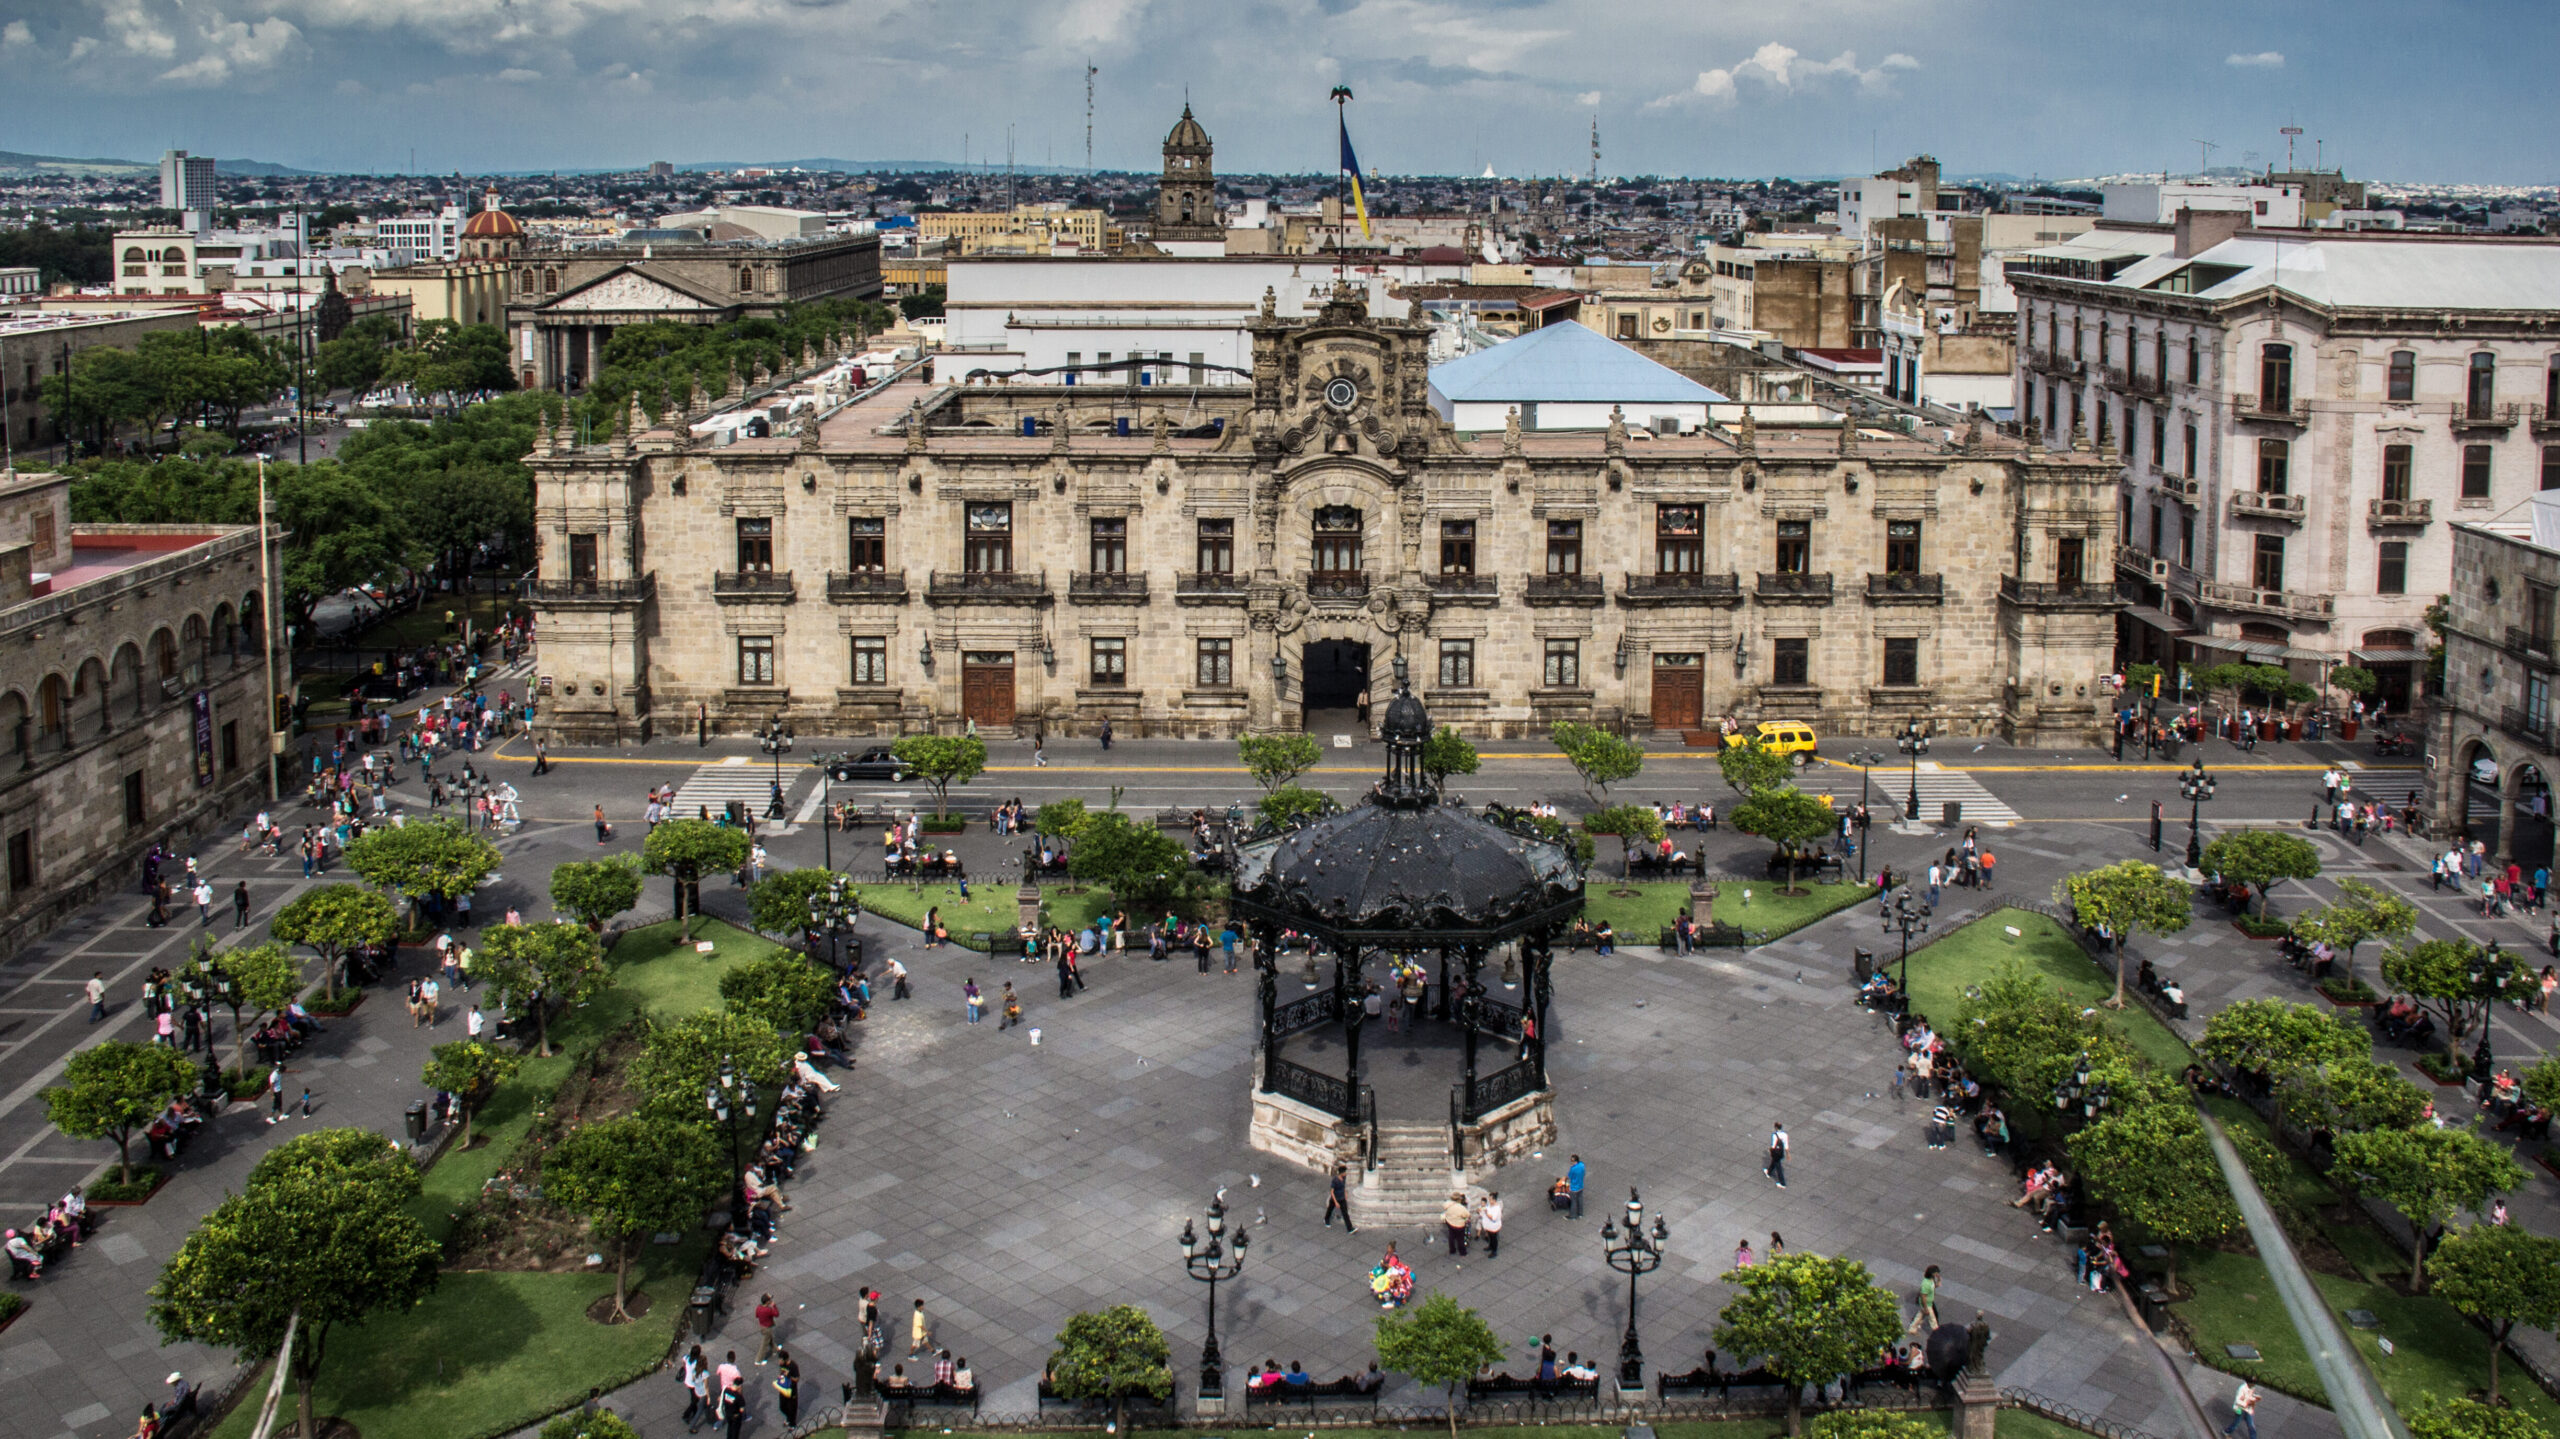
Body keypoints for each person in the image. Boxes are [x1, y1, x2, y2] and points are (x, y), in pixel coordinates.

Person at [1324, 1162, 1356, 1233]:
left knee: (1345, 1213)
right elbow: (1332, 1192)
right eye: (1345, 1172)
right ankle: (1326, 1219)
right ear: (1341, 1173)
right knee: (1330, 1209)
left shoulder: (1344, 1178)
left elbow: (1343, 1186)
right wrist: (1335, 1202)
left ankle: (1350, 1228)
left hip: (1342, 1198)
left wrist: (1345, 1193)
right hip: (1335, 1199)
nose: (1346, 1173)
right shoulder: (1335, 1180)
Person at [1477, 1192, 1502, 1258]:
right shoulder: (1490, 1205)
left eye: (1490, 1199)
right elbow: (1486, 1210)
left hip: (1494, 1227)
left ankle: (1494, 1251)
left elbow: (1493, 1218)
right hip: (1489, 1226)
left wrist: (1486, 1212)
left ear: (1494, 1200)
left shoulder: (1497, 1208)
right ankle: (1490, 1246)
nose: (1489, 1201)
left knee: (1494, 1239)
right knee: (1490, 1237)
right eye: (1489, 1199)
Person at [1766, 1120, 1790, 1188]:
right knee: (1774, 1161)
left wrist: (1770, 1150)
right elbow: (1786, 1145)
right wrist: (1788, 1154)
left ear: (1776, 1127)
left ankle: (1782, 1183)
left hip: (1775, 1152)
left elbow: (1773, 1146)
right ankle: (1768, 1172)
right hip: (1781, 1152)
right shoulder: (1785, 1135)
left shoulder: (1774, 1135)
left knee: (1778, 1166)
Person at [1565, 1154, 1585, 1219]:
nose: (1571, 1162)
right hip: (1581, 1186)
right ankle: (1580, 1214)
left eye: (1572, 1161)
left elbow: (1569, 1176)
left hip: (1574, 1188)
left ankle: (1573, 1215)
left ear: (1575, 1161)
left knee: (1573, 1201)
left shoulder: (1573, 1169)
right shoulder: (1582, 1165)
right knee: (1580, 1199)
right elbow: (1584, 1173)